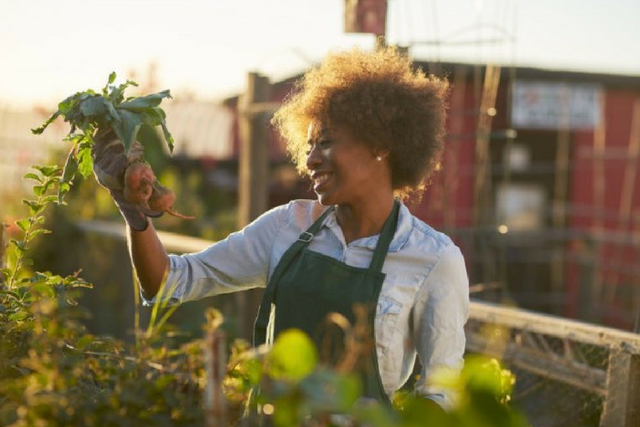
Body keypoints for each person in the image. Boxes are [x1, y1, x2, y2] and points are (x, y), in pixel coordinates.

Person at [92, 47, 469, 410]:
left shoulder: (434, 260)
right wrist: (132, 209)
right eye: (307, 145)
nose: (310, 159)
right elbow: (168, 283)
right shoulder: (287, 226)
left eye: (325, 142)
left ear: (380, 145)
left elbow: (441, 396)